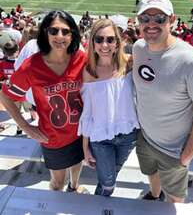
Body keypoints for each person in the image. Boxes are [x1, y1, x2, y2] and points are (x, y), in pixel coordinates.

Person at [132, 0, 193, 203]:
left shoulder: (192, 61)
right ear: (138, 22)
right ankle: (153, 193)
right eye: (145, 18)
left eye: (159, 18)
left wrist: (188, 154)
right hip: (145, 137)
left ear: (172, 20)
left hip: (174, 150)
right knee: (150, 174)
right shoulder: (138, 48)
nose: (151, 24)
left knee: (174, 200)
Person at [0, 10, 87, 192]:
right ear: (45, 33)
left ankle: (75, 185)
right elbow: (5, 96)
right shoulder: (32, 65)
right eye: (53, 31)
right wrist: (26, 127)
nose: (59, 36)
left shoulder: (81, 58)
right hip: (54, 138)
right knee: (57, 183)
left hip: (81, 132)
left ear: (73, 34)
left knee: (76, 167)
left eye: (65, 31)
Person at [78, 19, 139, 196]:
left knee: (110, 177)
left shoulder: (129, 64)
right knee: (109, 183)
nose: (105, 45)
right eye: (99, 39)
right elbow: (88, 113)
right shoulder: (89, 71)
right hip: (101, 138)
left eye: (110, 39)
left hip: (128, 136)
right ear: (92, 42)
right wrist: (85, 147)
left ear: (118, 42)